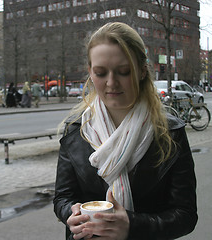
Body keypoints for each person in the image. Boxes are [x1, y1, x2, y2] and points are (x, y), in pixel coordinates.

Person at [53, 22, 197, 240]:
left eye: (123, 72)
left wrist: (132, 225)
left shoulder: (170, 133)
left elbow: (185, 215)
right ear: (90, 74)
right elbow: (63, 197)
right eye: (100, 73)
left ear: (142, 71)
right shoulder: (76, 130)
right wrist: (70, 213)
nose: (111, 83)